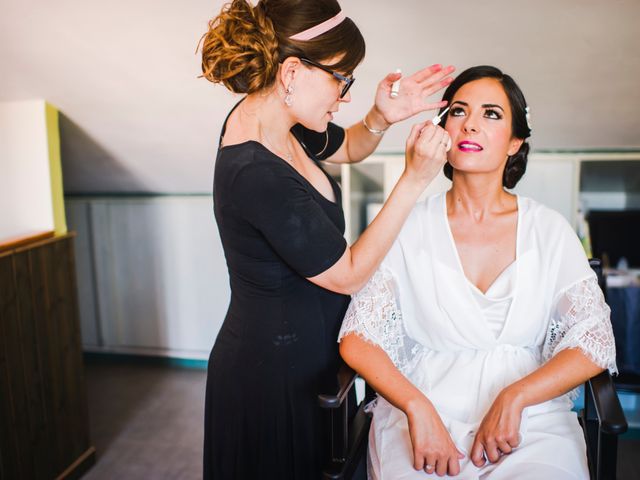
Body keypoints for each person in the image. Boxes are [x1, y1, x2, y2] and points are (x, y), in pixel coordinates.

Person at [198, 0, 455, 477]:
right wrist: (415, 180)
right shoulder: (255, 171)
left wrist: (383, 114)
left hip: (309, 355)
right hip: (272, 376)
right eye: (342, 79)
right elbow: (349, 274)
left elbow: (351, 145)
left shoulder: (282, 121)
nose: (345, 95)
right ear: (292, 71)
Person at [339, 65, 618, 479]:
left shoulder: (549, 229)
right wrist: (416, 407)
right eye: (458, 111)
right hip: (424, 410)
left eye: (491, 114)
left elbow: (593, 342)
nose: (470, 124)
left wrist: (516, 396)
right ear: (442, 129)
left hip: (530, 419)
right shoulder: (406, 224)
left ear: (515, 142)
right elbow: (358, 340)